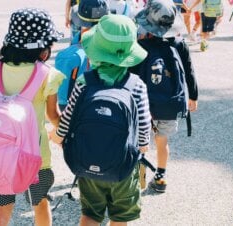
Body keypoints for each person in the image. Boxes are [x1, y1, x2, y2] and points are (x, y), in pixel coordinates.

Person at [52, 14, 151, 226]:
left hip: (87, 163)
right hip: (123, 166)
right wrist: (142, 148)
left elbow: (67, 119)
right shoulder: (137, 86)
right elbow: (143, 130)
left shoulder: (83, 82)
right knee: (120, 217)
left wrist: (59, 138)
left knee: (90, 214)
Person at [0, 8, 64, 226]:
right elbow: (52, 115)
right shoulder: (47, 74)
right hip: (35, 157)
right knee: (40, 206)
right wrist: (65, 133)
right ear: (43, 50)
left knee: (0, 215)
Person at [130, 0, 198, 193]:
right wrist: (193, 96)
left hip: (143, 104)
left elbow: (132, 75)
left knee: (139, 141)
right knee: (162, 141)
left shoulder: (140, 45)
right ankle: (160, 177)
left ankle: (137, 177)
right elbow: (189, 70)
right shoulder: (179, 44)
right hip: (170, 103)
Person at [56, 0, 109, 111]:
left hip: (77, 116)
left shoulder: (67, 56)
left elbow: (62, 101)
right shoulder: (117, 51)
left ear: (78, 21)